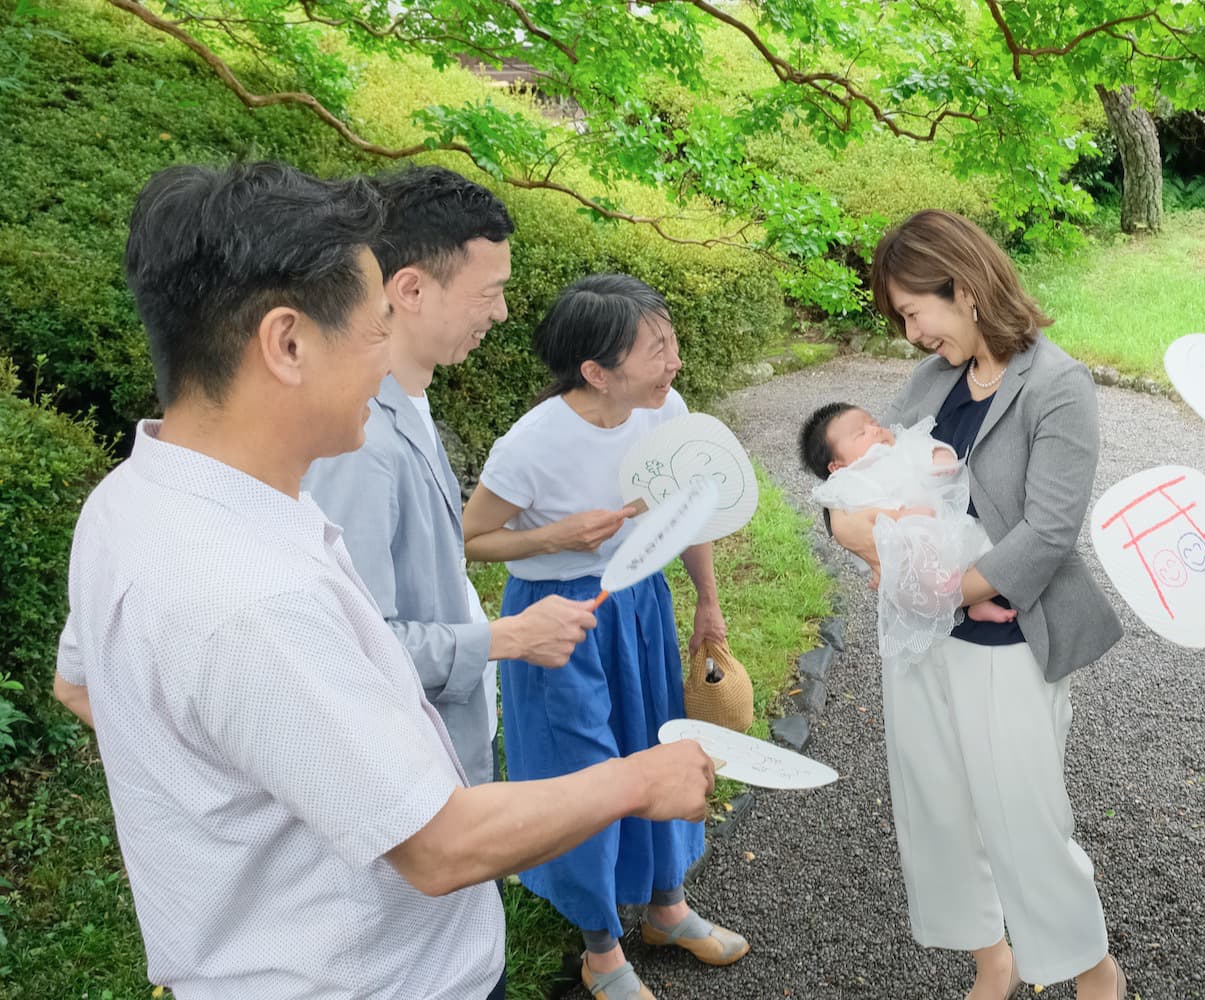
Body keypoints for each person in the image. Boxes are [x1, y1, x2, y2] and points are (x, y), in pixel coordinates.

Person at [53, 161, 715, 1000]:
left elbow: (80, 685)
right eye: (373, 331)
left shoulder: (130, 501)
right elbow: (439, 849)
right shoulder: (251, 598)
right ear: (287, 343)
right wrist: (641, 777)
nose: (386, 362)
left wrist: (234, 794)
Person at [828, 209, 1126, 999]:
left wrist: (941, 589)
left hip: (1008, 643)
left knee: (1024, 821)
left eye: (912, 311)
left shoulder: (1057, 384)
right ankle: (992, 961)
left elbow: (1050, 529)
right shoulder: (929, 381)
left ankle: (1094, 974)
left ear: (961, 289)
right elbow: (866, 485)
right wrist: (848, 527)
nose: (909, 333)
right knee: (940, 812)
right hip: (923, 641)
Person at [462, 273, 745, 1000]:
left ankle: (666, 906)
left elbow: (687, 514)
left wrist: (706, 604)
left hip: (639, 602)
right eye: (657, 349)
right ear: (597, 372)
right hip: (556, 620)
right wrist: (555, 535)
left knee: (658, 747)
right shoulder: (531, 444)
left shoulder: (665, 411)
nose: (674, 362)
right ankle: (599, 948)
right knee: (582, 766)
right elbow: (470, 538)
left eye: (671, 341)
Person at [302, 165, 596, 784]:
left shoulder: (407, 398)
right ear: (409, 290)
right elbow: (357, 650)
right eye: (488, 292)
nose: (503, 312)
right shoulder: (359, 442)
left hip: (450, 732)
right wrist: (504, 638)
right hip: (410, 763)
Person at [799, 401, 1017, 668]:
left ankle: (973, 602)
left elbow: (926, 446)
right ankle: (954, 599)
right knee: (917, 569)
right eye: (861, 433)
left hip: (940, 523)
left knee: (983, 545)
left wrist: (941, 457)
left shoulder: (901, 445)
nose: (874, 429)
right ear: (836, 466)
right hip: (898, 533)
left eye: (873, 422)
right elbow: (849, 510)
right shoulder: (847, 480)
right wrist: (897, 516)